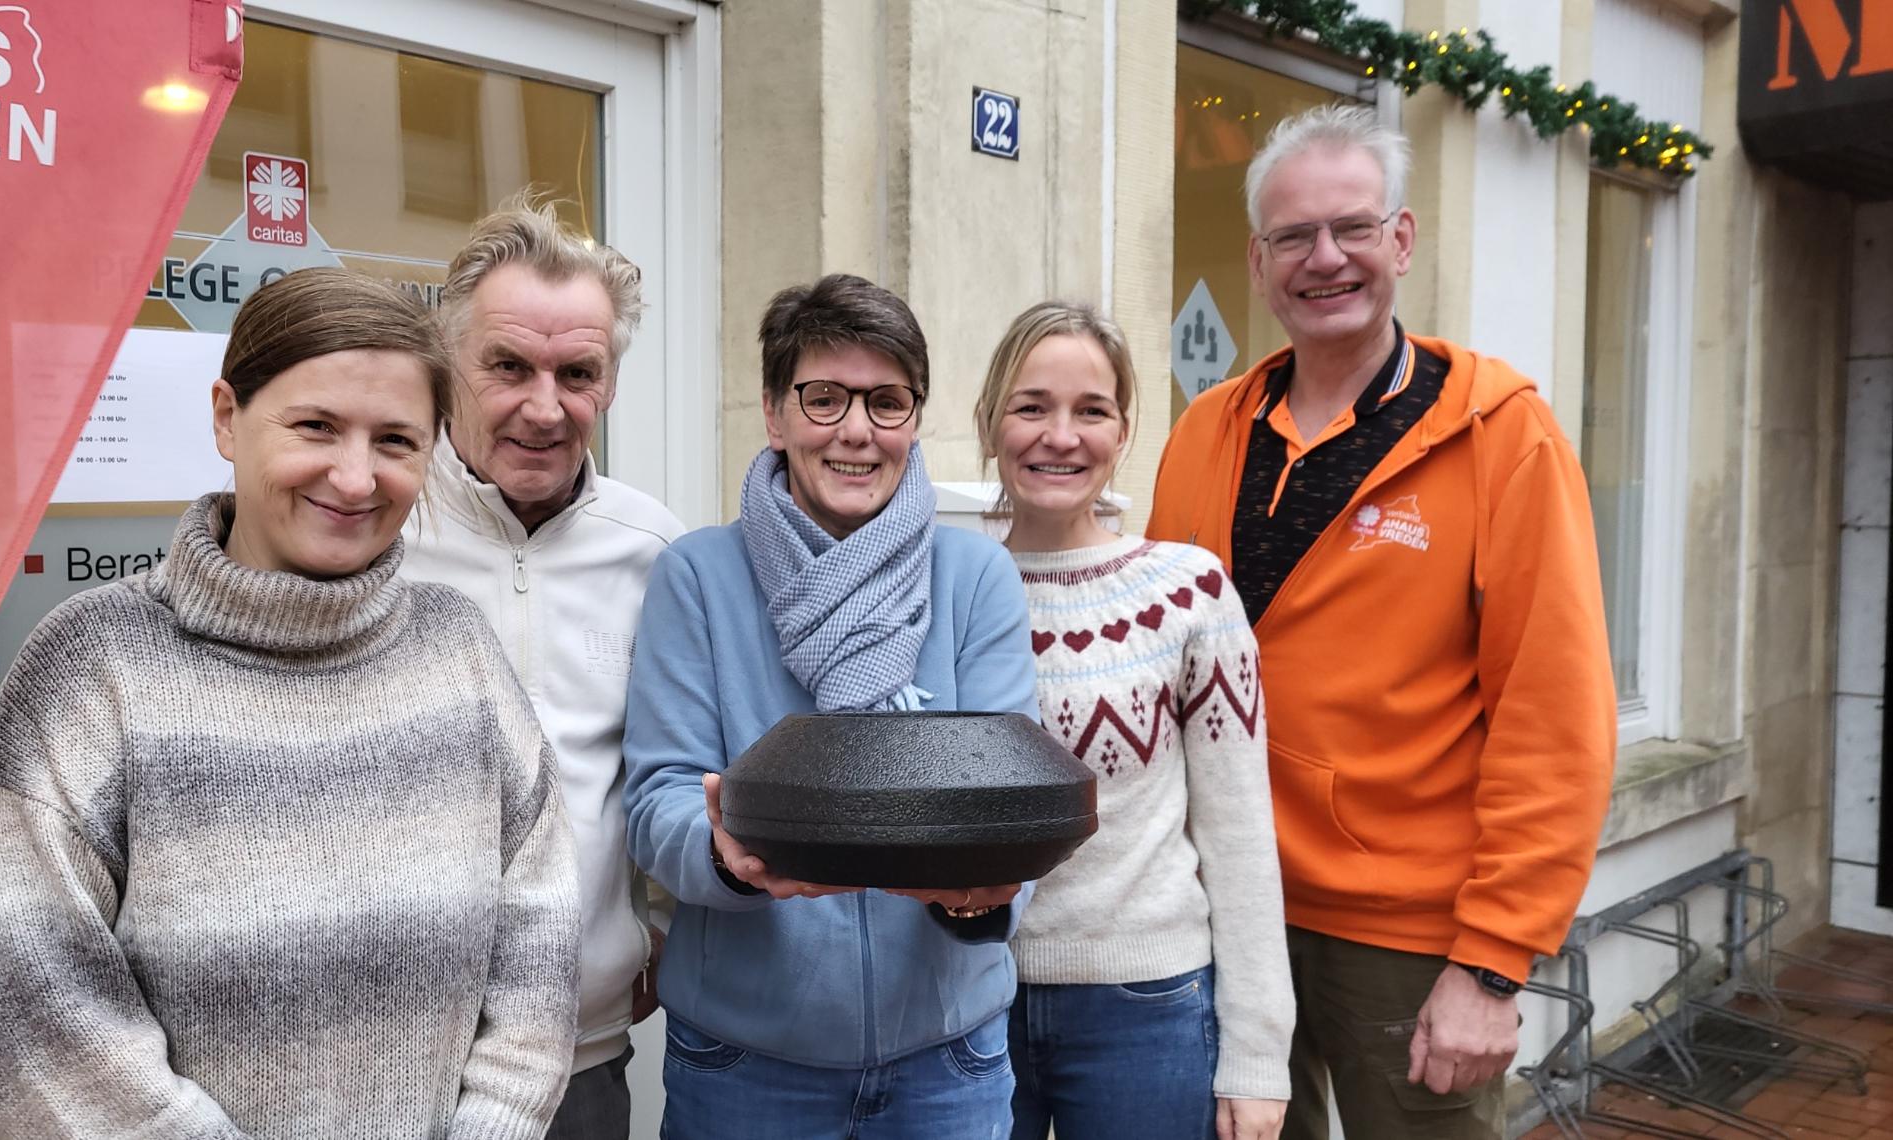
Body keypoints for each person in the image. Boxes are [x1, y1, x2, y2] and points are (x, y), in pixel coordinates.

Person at [0, 269, 580, 1139]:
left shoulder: (458, 650)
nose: (354, 478)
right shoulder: (94, 665)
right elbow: (19, 1003)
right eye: (316, 426)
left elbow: (539, 938)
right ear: (226, 417)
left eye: (395, 440)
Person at [1146, 104, 1616, 1140]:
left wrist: (1492, 963)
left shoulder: (1500, 436)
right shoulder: (1206, 431)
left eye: (1352, 227)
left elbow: (1555, 716)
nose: (1325, 258)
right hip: (1223, 911)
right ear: (1259, 263)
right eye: (1292, 237)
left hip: (1405, 941)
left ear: (1400, 240)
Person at [624, 273, 1038, 1140]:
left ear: (914, 418)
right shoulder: (699, 577)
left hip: (947, 1058)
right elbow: (659, 798)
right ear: (774, 415)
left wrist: (979, 891)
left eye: (887, 401)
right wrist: (729, 858)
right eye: (824, 398)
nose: (857, 430)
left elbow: (1015, 795)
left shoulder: (973, 579)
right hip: (747, 1064)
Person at [400, 196, 685, 1140]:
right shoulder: (375, 530)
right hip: (381, 1054)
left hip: (580, 1057)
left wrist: (657, 932)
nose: (544, 406)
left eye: (578, 374)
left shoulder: (654, 551)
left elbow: (675, 762)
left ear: (611, 384)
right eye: (508, 366)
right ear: (448, 362)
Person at [974, 301, 1293, 1140]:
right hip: (967, 1003)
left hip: (1147, 1009)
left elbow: (1238, 833)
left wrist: (1258, 1058)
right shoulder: (952, 592)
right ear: (991, 421)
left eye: (1091, 410)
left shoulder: (1187, 592)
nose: (1061, 436)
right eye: (1032, 406)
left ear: (1122, 432)